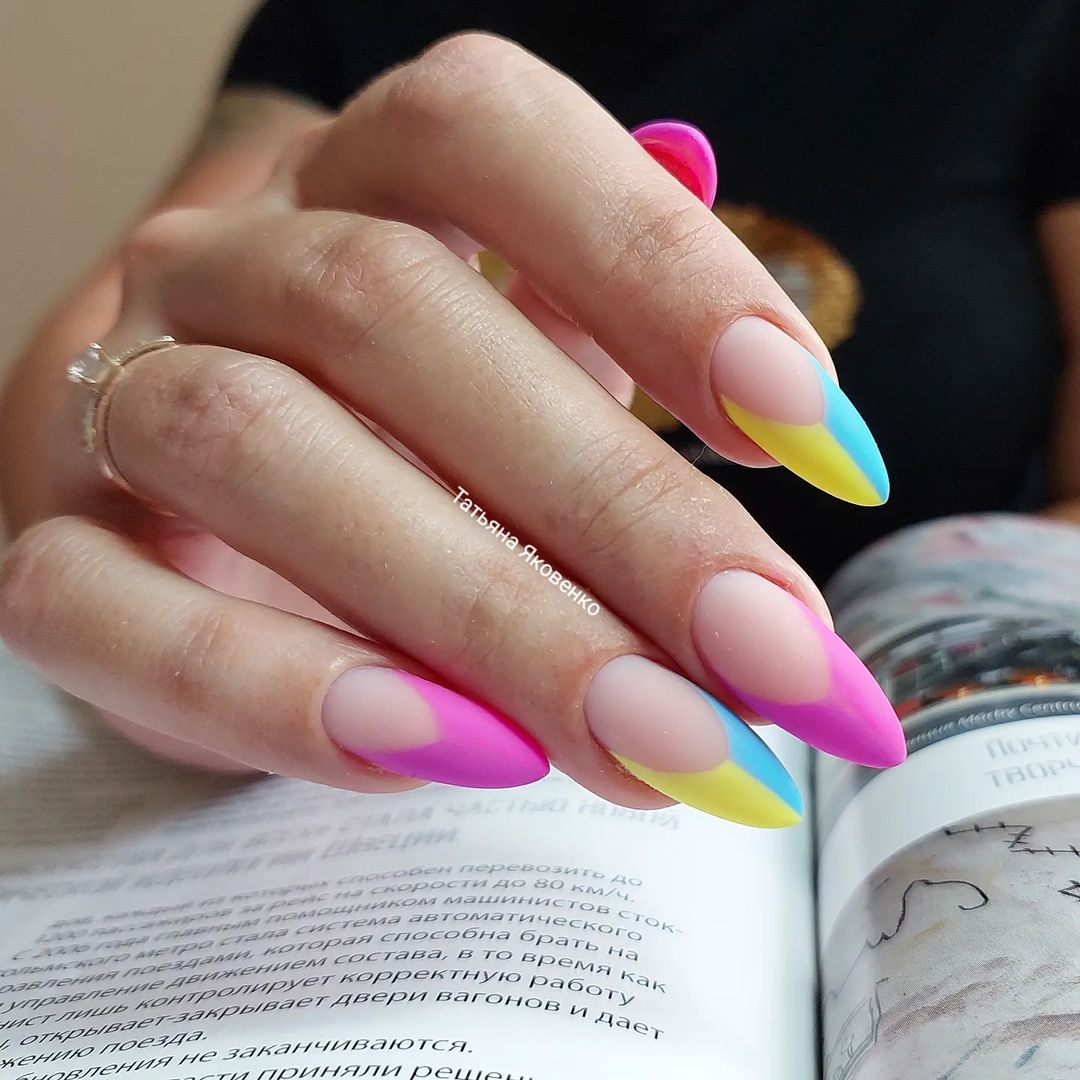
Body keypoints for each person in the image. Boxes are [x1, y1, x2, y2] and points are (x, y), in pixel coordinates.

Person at [0, 2, 1075, 826]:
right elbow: (125, 331)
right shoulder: (341, 21)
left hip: (961, 708)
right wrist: (179, 487)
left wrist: (965, 637)